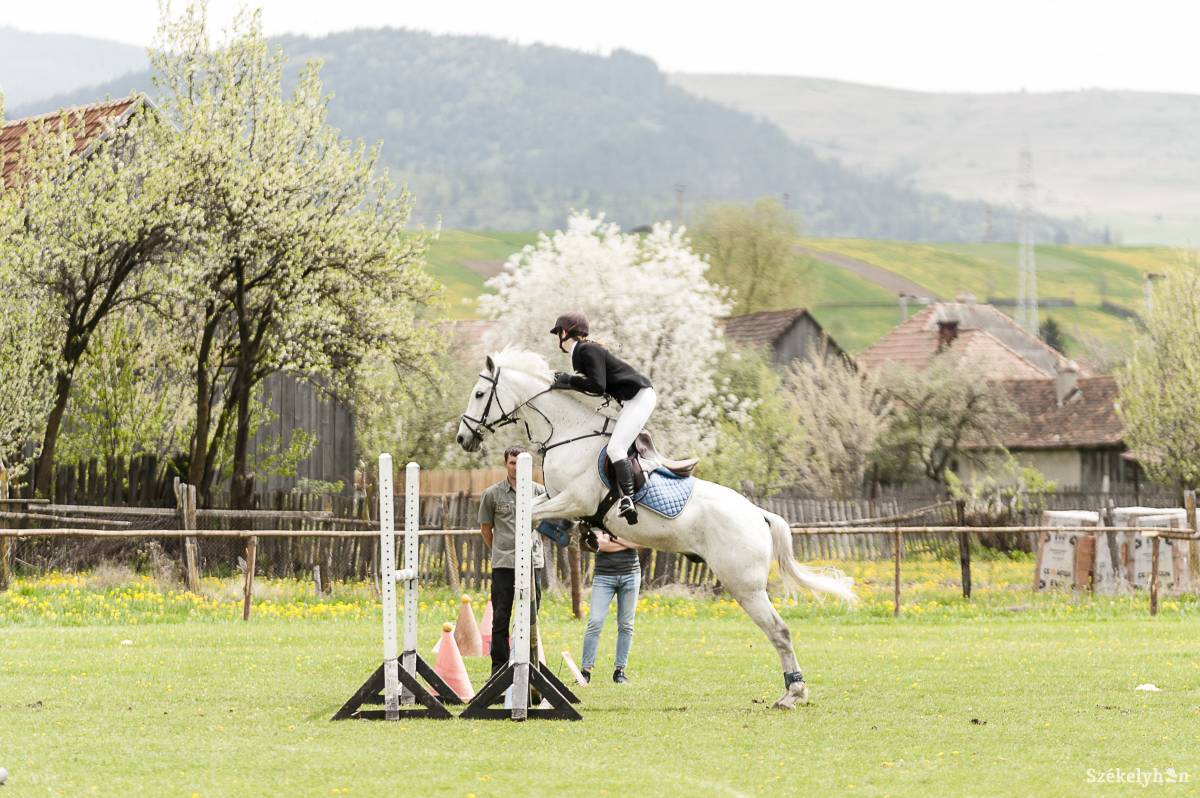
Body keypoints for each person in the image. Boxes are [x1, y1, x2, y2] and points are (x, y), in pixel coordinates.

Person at [549, 311, 655, 525]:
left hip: (639, 397)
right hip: (630, 400)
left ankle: (629, 499)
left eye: (558, 332)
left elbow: (598, 386)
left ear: (565, 332)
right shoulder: (581, 352)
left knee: (616, 449)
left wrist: (569, 380)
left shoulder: (587, 349)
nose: (556, 337)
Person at [479, 445, 546, 675]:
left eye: (520, 463)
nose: (516, 468)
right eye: (512, 463)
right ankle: (498, 671)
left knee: (530, 618)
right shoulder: (492, 494)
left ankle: (527, 667)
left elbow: (548, 525)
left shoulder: (540, 493)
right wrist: (500, 550)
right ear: (505, 464)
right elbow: (486, 529)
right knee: (500, 617)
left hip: (532, 562)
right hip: (504, 564)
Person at [580, 533, 641, 684]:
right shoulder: (599, 517)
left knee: (626, 625)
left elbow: (641, 542)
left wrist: (613, 539)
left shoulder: (631, 515)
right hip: (603, 576)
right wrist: (626, 541)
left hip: (631, 575)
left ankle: (620, 671)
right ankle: (586, 672)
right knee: (595, 622)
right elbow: (600, 544)